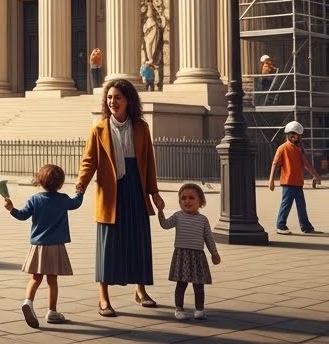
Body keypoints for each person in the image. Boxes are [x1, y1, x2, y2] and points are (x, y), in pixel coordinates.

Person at [75, 79, 163, 315]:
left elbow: (149, 164)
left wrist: (154, 192)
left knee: (138, 241)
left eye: (118, 98)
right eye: (110, 97)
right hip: (110, 193)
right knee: (108, 246)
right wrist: (81, 185)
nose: (113, 102)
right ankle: (103, 297)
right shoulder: (99, 129)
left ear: (129, 101)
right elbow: (89, 161)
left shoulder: (141, 128)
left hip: (135, 189)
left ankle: (141, 290)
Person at [4, 164, 85, 327]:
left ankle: (28, 301)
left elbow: (22, 216)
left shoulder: (35, 199)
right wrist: (80, 191)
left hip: (38, 246)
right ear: (60, 184)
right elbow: (76, 203)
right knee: (52, 280)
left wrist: (11, 209)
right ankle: (52, 311)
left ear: (40, 182)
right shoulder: (62, 199)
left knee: (35, 278)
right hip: (55, 246)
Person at [157, 183, 221, 321]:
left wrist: (214, 253)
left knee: (199, 285)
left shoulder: (203, 220)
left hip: (198, 256)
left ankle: (200, 309)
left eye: (191, 198)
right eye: (183, 198)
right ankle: (179, 308)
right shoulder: (178, 216)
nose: (187, 201)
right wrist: (160, 211)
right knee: (181, 284)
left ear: (201, 202)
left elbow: (209, 238)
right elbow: (165, 225)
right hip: (182, 255)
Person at [269, 120, 323, 235]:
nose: (294, 137)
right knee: (286, 204)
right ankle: (281, 225)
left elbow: (306, 164)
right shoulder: (282, 148)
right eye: (292, 134)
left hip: (298, 182)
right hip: (288, 182)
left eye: (296, 135)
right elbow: (275, 164)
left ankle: (306, 226)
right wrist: (271, 181)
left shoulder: (298, 149)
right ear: (287, 134)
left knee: (301, 205)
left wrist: (316, 175)